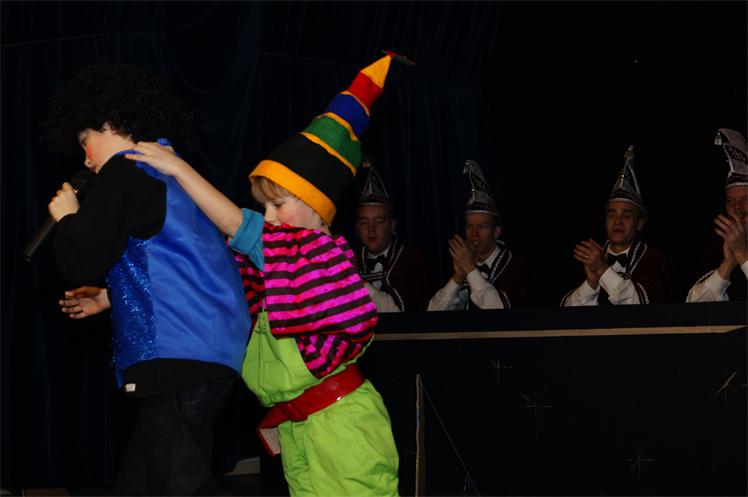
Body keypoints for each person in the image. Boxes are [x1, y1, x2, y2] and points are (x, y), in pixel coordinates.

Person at [127, 53, 406, 497]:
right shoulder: (279, 266)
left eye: (278, 204)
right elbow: (202, 275)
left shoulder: (318, 256)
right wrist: (112, 297)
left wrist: (179, 169)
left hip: (342, 426)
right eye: (265, 207)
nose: (270, 217)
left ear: (316, 206)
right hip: (299, 427)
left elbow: (235, 225)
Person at [44, 64, 251, 495]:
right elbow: (168, 260)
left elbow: (82, 259)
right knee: (142, 483)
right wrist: (110, 297)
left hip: (180, 350)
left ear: (110, 124)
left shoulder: (125, 171)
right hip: (203, 346)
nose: (86, 159)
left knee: (177, 484)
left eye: (85, 142)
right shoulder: (162, 170)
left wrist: (67, 220)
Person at [561, 146, 676, 306]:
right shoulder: (587, 260)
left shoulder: (655, 261)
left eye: (626, 215)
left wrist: (602, 269)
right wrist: (591, 283)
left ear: (639, 223)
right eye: (611, 215)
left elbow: (642, 307)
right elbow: (564, 313)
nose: (617, 221)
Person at [428, 159, 539, 310]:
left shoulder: (517, 268)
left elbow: (498, 311)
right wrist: (458, 277)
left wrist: (470, 268)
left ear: (496, 232)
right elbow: (433, 312)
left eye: (482, 227)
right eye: (469, 226)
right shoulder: (468, 268)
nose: (474, 234)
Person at [355, 160, 435, 312]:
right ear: (357, 228)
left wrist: (357, 281)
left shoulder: (413, 262)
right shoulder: (351, 261)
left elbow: (401, 314)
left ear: (392, 226)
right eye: (364, 223)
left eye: (379, 221)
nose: (371, 229)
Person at [687, 128, 748, 302]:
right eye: (730, 201)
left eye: (745, 199)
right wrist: (727, 265)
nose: (737, 207)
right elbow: (692, 306)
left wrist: (743, 255)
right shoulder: (717, 251)